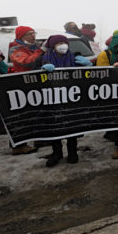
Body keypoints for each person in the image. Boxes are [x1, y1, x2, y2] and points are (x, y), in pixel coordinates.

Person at [40, 35, 91, 167]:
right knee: (55, 126)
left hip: (71, 97)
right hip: (53, 99)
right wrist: (42, 70)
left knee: (71, 125)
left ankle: (72, 152)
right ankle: (56, 153)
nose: (63, 45)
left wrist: (88, 66)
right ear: (53, 46)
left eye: (64, 42)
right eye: (59, 43)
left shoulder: (74, 57)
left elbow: (86, 78)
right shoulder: (44, 59)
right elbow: (33, 78)